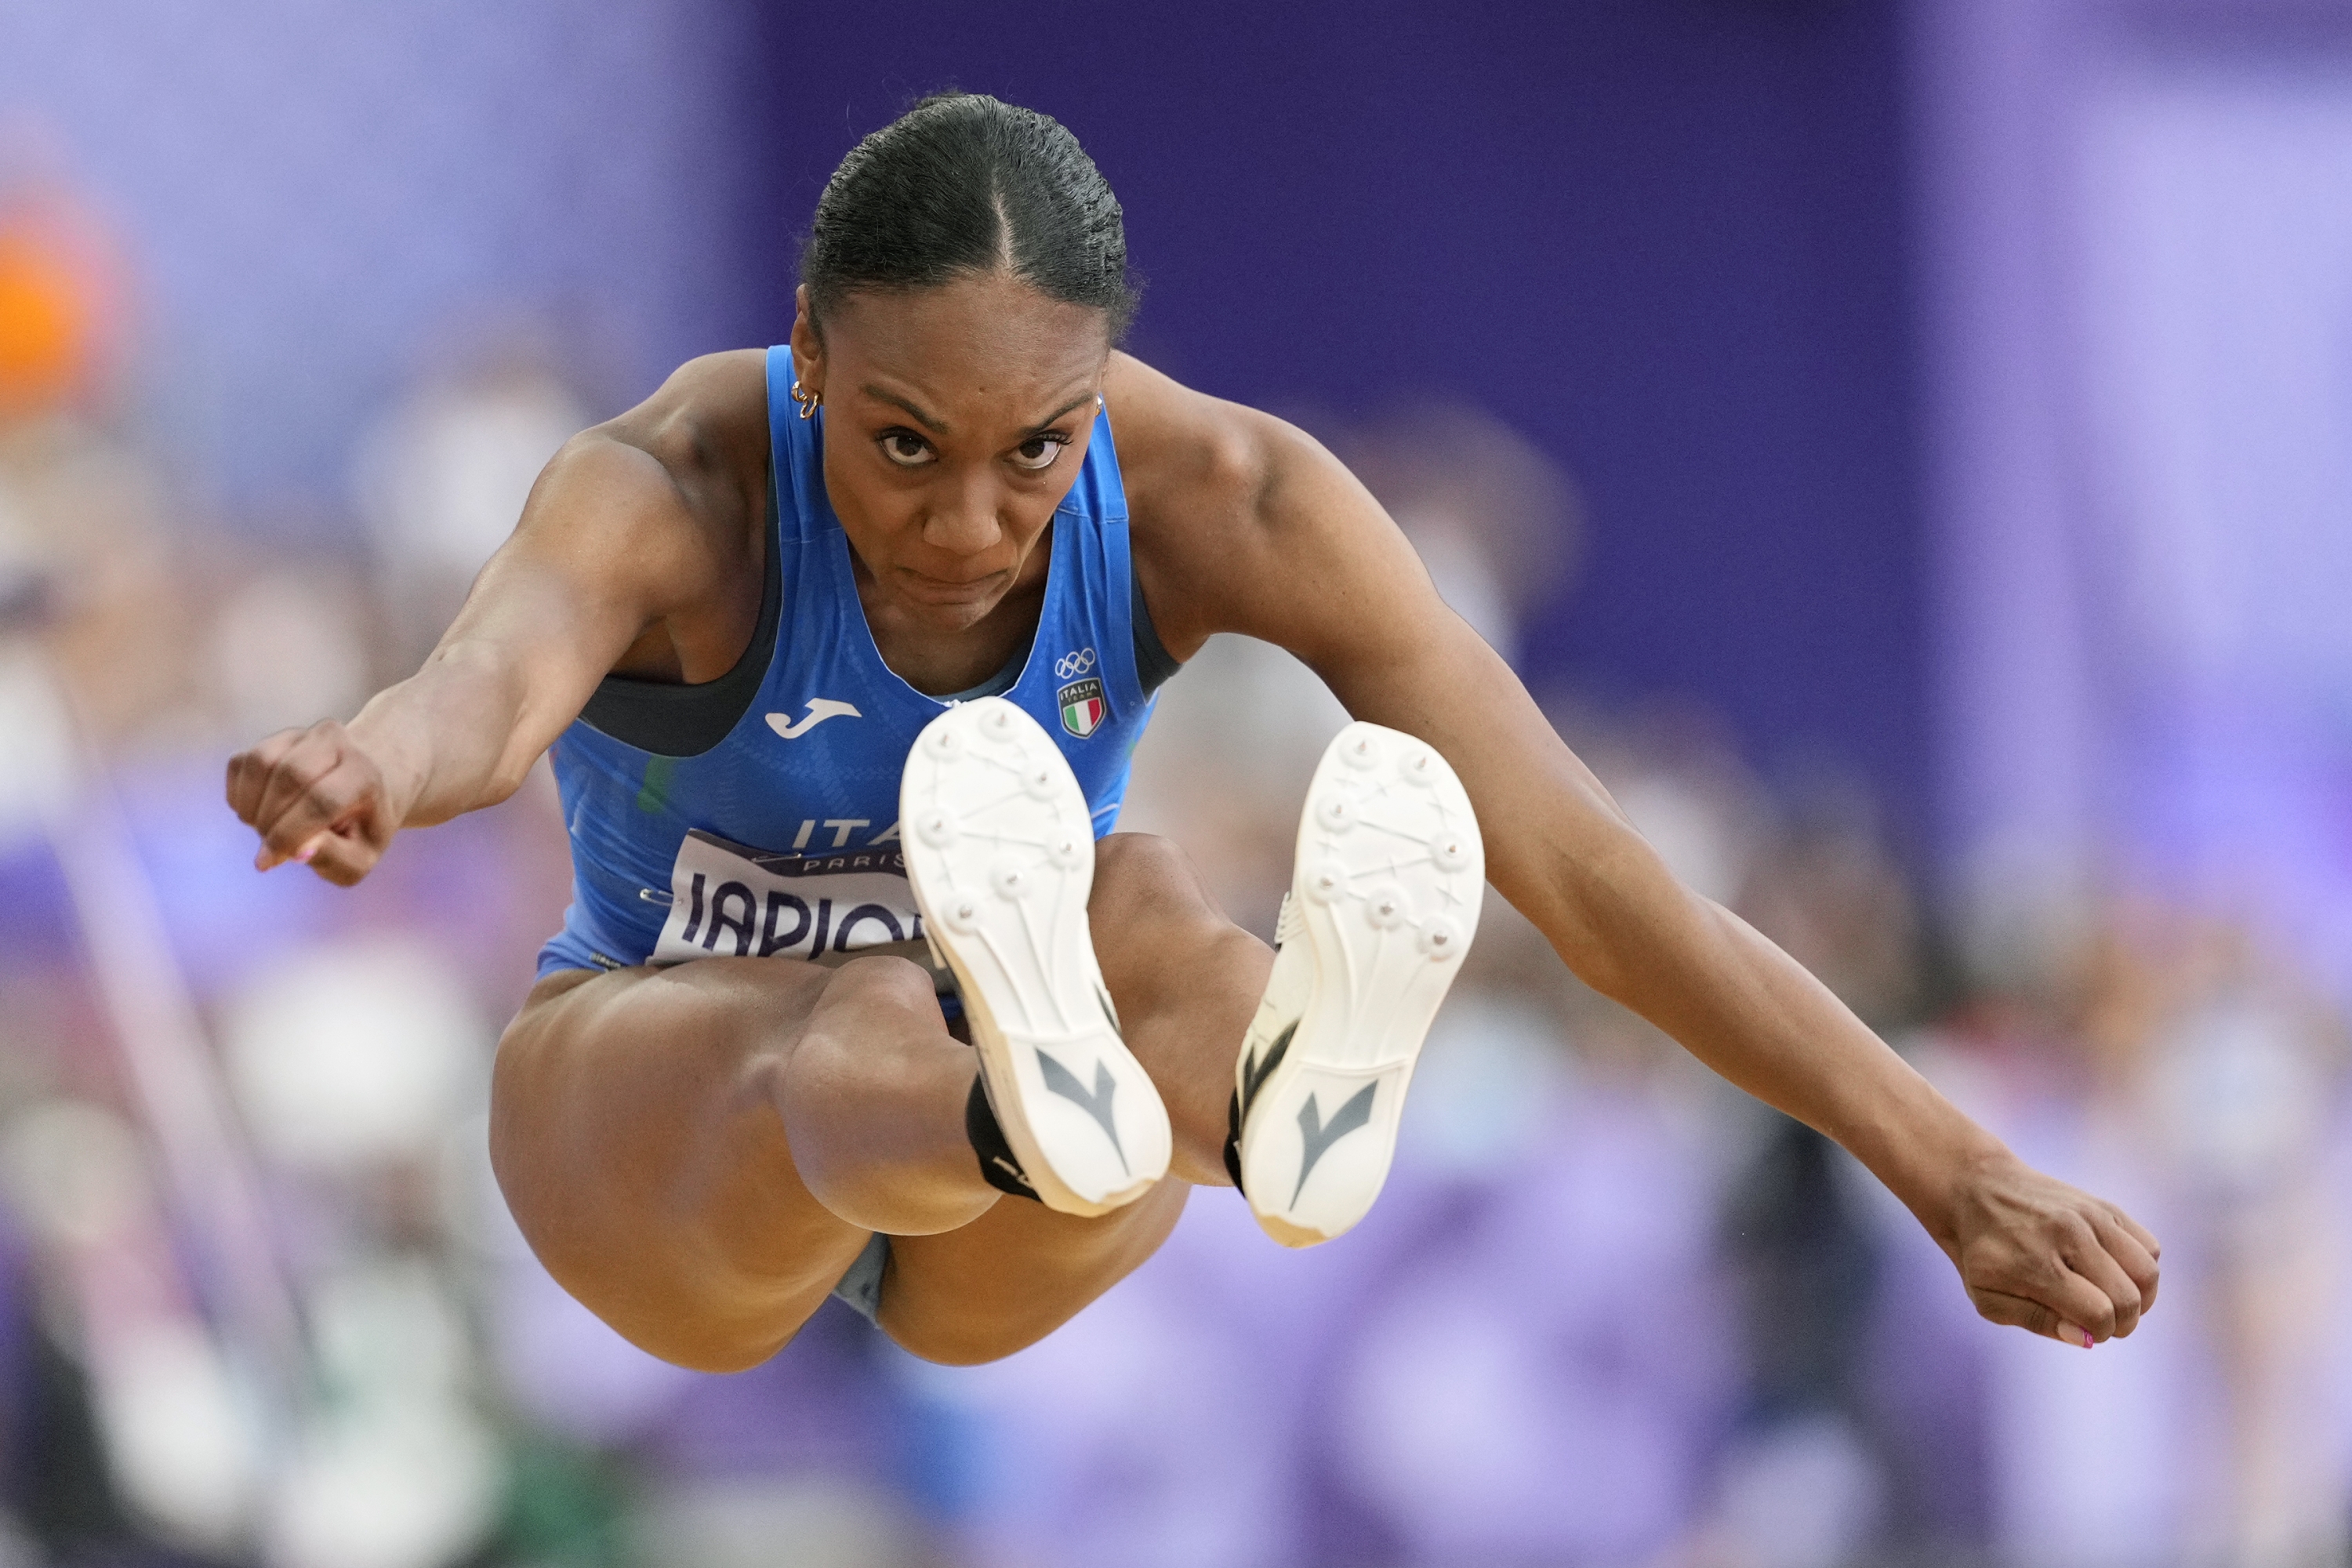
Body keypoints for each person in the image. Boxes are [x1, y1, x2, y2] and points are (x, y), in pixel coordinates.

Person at [226, 93, 2159, 1374]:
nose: (972, 524)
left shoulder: (1233, 495)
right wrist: (376, 763)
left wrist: (1952, 1165)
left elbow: (1586, 871)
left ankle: (1254, 1086)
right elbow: (491, 680)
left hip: (1024, 1220)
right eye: (900, 444)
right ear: (805, 352)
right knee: (892, 1011)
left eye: (1035, 452)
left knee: (1150, 924)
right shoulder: (669, 484)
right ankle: (1100, 1081)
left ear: (1104, 390)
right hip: (664, 1150)